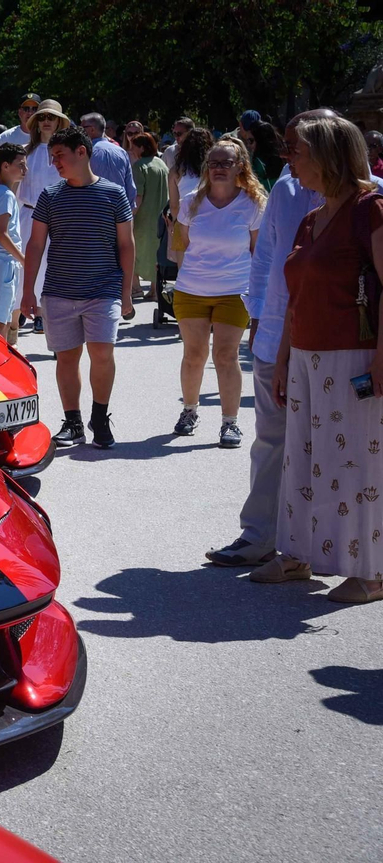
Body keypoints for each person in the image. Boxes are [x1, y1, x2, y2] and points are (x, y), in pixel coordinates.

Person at [210, 108, 338, 570]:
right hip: (276, 339)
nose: (285, 156)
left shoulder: (371, 198)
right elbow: (265, 259)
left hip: (339, 346)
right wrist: (259, 320)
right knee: (271, 441)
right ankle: (260, 536)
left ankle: (326, 546)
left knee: (333, 447)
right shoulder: (285, 189)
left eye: (294, 147)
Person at [270, 114, 383, 603]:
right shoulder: (312, 217)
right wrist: (281, 358)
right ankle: (298, 556)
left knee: (354, 462)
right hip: (307, 356)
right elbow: (296, 296)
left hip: (353, 355)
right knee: (304, 456)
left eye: (298, 150)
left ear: (327, 153)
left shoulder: (370, 209)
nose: (290, 158)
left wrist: (381, 361)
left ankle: (371, 573)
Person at [20, 126, 136, 449]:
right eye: (52, 157)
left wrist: (126, 292)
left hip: (104, 289)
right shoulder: (50, 195)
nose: (55, 162)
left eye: (60, 155)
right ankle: (73, 422)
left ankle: (100, 417)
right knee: (66, 358)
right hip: (59, 290)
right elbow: (35, 245)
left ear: (81, 152)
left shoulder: (114, 194)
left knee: (102, 352)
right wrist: (28, 291)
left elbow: (127, 244)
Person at [170, 138, 265, 447]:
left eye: (226, 163)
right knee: (194, 354)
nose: (219, 169)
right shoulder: (191, 201)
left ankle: (230, 422)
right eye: (214, 163)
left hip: (235, 291)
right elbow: (182, 245)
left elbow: (258, 252)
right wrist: (181, 280)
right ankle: (189, 410)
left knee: (225, 355)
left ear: (241, 166)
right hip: (192, 290)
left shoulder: (253, 204)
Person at [19, 100, 73, 333]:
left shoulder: (66, 152)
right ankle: (21, 308)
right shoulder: (25, 152)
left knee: (53, 264)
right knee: (26, 262)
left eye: (51, 117)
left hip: (57, 216)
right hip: (28, 212)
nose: (46, 121)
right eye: (42, 117)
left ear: (59, 122)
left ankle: (43, 312)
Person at [0, 143, 28, 343]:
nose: (25, 170)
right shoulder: (6, 196)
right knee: (0, 320)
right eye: (21, 165)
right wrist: (23, 259)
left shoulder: (0, 192)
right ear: (6, 166)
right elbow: (2, 234)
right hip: (3, 261)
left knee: (1, 316)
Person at [127, 132, 169, 298]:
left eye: (134, 146)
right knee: (156, 254)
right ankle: (154, 289)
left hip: (143, 218)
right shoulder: (161, 164)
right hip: (160, 217)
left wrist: (129, 215)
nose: (131, 149)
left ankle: (135, 287)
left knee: (134, 253)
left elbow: (138, 195)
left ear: (142, 148)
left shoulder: (139, 167)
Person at [167, 128, 214, 269]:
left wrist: (176, 222)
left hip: (183, 222)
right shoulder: (213, 171)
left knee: (184, 271)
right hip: (210, 221)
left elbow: (174, 205)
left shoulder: (175, 171)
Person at [80, 113, 136, 208]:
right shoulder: (121, 152)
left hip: (94, 210)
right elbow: (131, 188)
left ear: (92, 129)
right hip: (119, 211)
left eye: (82, 128)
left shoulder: (85, 153)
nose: (80, 132)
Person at [249, 121, 284, 191]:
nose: (249, 145)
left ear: (260, 141)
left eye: (251, 140)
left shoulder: (257, 162)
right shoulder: (285, 155)